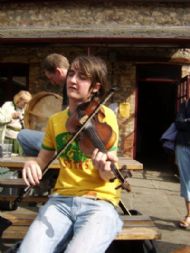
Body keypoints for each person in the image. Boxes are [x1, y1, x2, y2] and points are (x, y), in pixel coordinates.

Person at [17, 55, 123, 253]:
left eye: (82, 77)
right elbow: (42, 159)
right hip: (61, 201)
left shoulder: (105, 116)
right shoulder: (56, 121)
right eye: (71, 74)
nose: (73, 80)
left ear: (95, 87)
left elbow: (109, 175)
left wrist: (105, 169)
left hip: (99, 202)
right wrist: (32, 163)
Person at [17, 53, 70, 156]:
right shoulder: (78, 81)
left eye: (51, 78)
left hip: (66, 143)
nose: (53, 82)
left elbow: (66, 117)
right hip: (74, 140)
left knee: (22, 135)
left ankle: (44, 164)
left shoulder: (70, 85)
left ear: (58, 72)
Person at [0, 90, 32, 154]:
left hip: (19, 141)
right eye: (25, 102)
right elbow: (1, 119)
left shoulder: (25, 110)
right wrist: (11, 116)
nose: (26, 105)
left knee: (19, 159)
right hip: (7, 140)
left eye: (27, 103)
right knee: (6, 159)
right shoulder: (8, 105)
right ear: (19, 99)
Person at [175, 98, 190, 228]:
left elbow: (184, 124)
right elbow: (178, 124)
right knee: (186, 182)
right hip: (183, 146)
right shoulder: (185, 104)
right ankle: (188, 215)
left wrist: (187, 121)